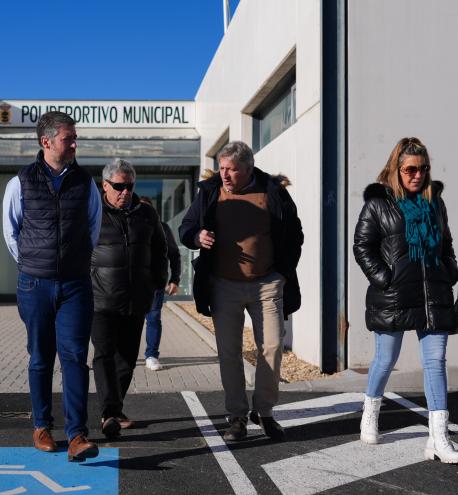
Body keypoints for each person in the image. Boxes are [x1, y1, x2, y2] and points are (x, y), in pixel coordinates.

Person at [180, 141, 303, 442]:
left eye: (231, 170)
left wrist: (282, 274)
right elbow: (186, 228)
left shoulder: (273, 191)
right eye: (222, 168)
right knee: (229, 353)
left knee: (272, 348)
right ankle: (236, 416)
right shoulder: (210, 192)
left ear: (248, 168)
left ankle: (265, 411)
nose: (224, 175)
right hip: (224, 285)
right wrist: (198, 236)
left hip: (267, 284)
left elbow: (295, 234)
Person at [353, 136, 458, 464]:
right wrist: (384, 279)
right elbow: (362, 246)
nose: (418, 175)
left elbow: (446, 243)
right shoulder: (378, 204)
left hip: (434, 295)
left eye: (423, 169)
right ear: (396, 170)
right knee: (385, 360)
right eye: (411, 169)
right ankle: (370, 412)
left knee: (435, 362)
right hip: (395, 296)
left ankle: (439, 438)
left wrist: (450, 270)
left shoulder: (435, 203)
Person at [2, 111, 103, 462]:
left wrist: (74, 262)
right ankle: (42, 426)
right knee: (41, 357)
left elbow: (93, 227)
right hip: (35, 285)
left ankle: (77, 436)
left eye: (75, 138)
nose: (74, 144)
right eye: (68, 139)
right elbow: (11, 232)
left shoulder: (85, 182)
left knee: (75, 358)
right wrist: (33, 264)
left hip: (75, 285)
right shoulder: (20, 182)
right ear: (46, 142)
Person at [91, 159, 168, 438]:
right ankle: (109, 413)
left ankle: (115, 409)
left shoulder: (146, 213)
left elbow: (160, 250)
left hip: (136, 299)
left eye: (129, 186)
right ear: (105, 185)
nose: (124, 192)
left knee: (127, 358)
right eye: (119, 186)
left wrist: (157, 283)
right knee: (103, 355)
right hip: (100, 298)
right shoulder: (92, 212)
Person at [139, 196, 181, 371]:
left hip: (155, 282)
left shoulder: (162, 228)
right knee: (126, 321)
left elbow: (174, 254)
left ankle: (151, 355)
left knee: (153, 318)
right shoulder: (127, 224)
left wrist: (175, 279)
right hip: (129, 284)